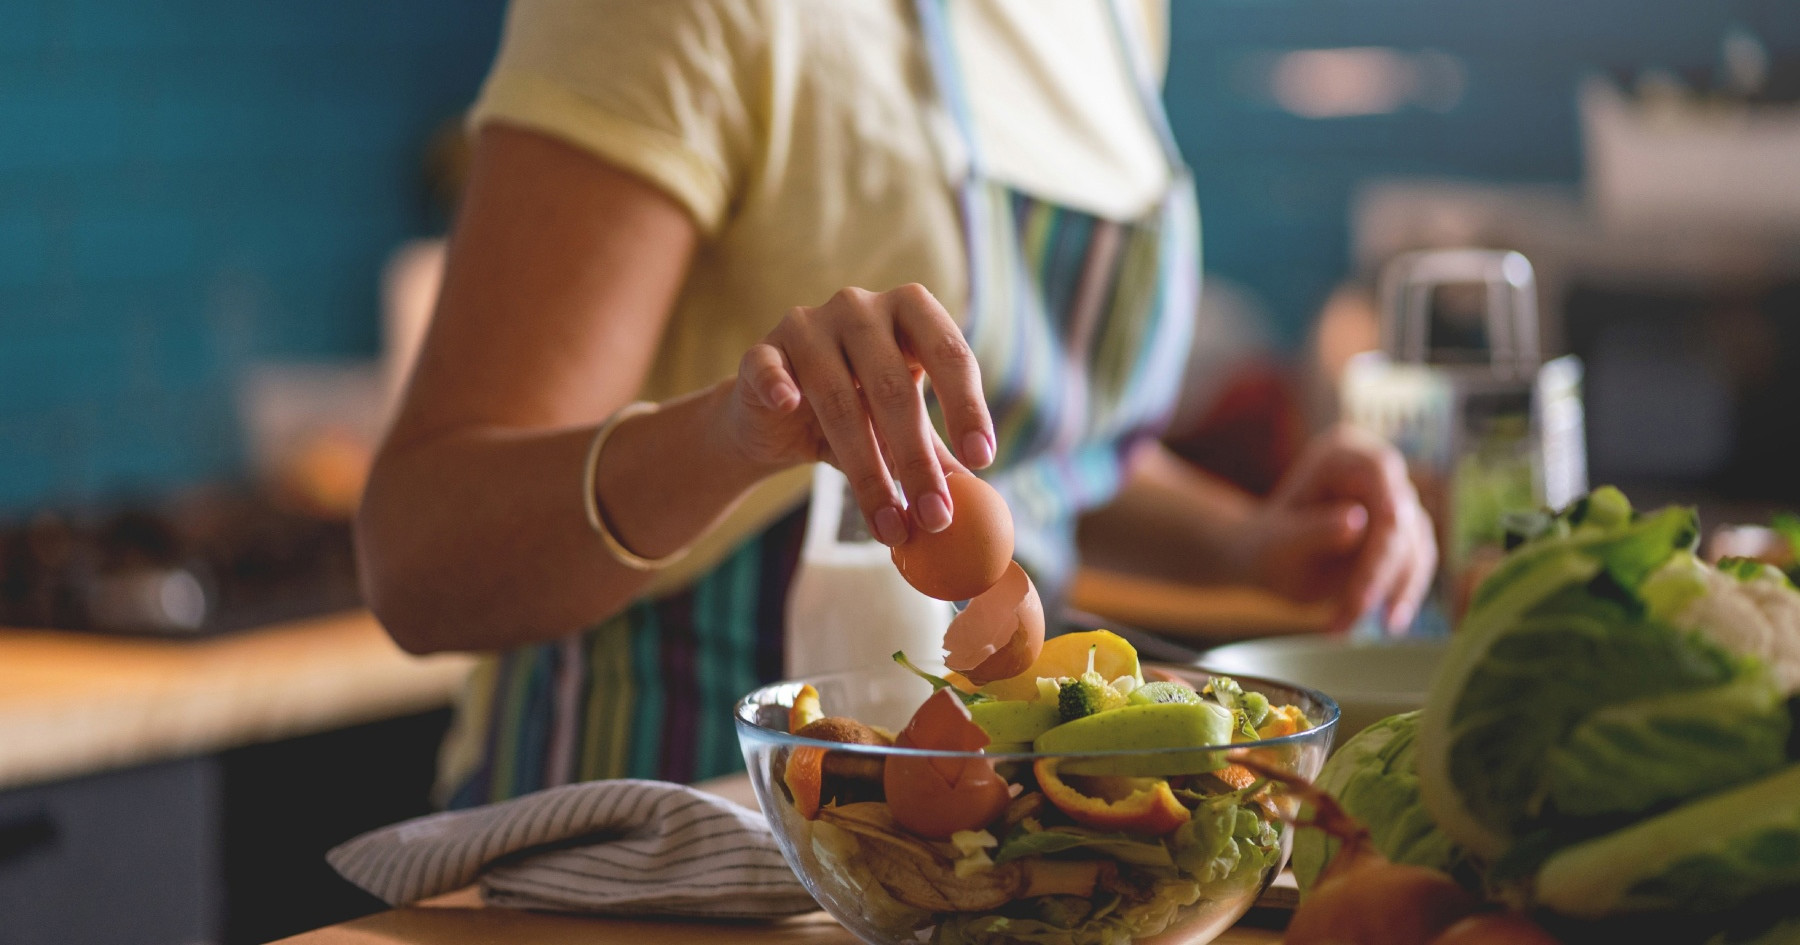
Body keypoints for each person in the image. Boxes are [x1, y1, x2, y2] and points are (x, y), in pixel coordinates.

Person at [355, 0, 1436, 807]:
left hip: (956, 859)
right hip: (651, 837)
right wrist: (734, 438)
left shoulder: (1114, 20)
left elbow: (1007, 468)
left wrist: (1248, 541)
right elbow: (420, 559)